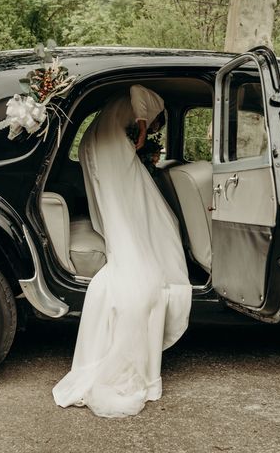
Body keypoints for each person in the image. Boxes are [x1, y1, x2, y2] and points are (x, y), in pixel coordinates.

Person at [52, 84, 192, 418]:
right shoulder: (147, 101)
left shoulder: (108, 118)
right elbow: (139, 92)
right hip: (113, 147)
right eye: (160, 124)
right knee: (145, 211)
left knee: (122, 203)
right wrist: (142, 129)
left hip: (103, 145)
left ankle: (124, 238)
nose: (157, 126)